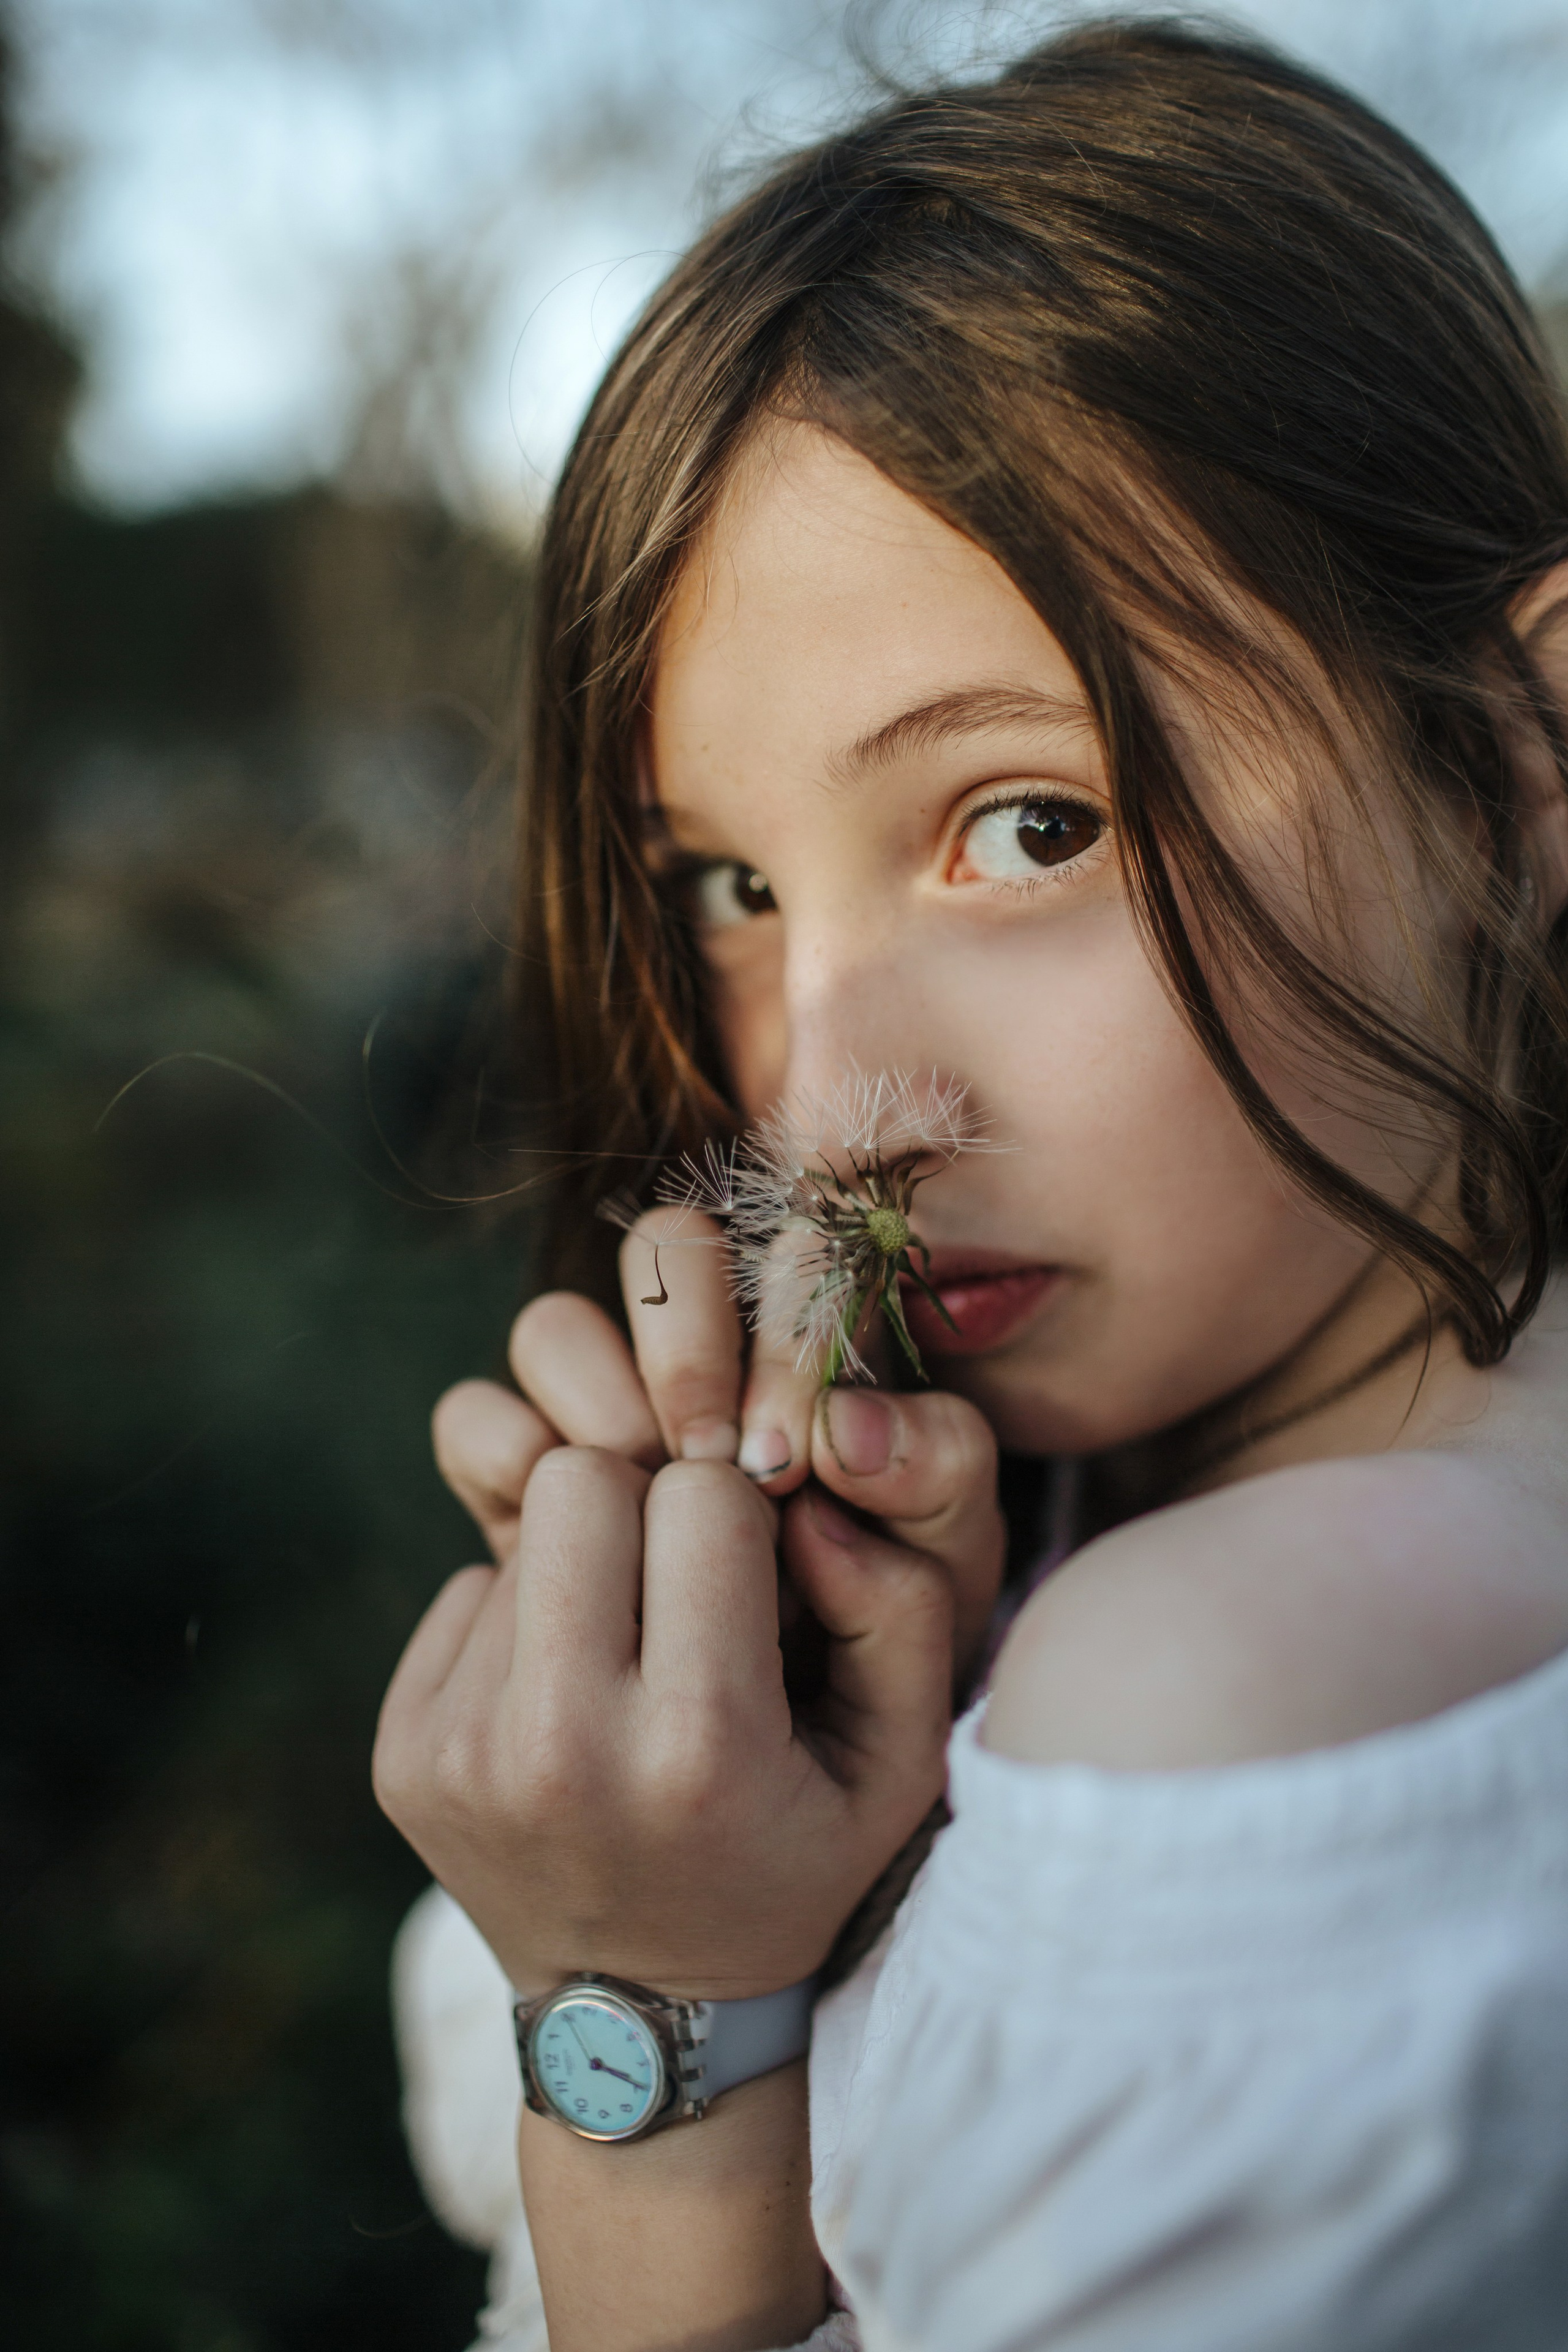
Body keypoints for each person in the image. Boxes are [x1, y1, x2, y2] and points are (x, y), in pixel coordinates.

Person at [371, 18, 1568, 2350]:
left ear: (1524, 767)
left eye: (1029, 827)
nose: (828, 1108)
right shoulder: (1101, 1531)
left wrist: (662, 2020)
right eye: (724, 888)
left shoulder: (1232, 1697)